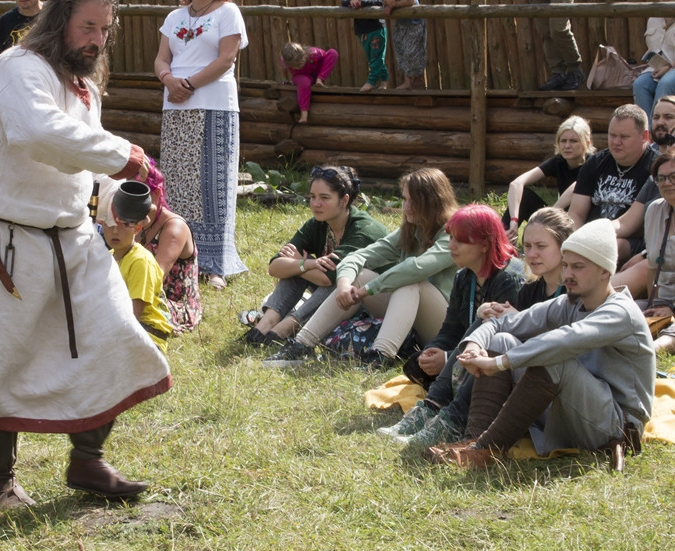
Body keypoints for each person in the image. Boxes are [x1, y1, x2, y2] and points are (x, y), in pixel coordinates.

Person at [0, 0, 172, 509]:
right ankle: (0, 484)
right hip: (7, 245)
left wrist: (119, 196)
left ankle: (88, 462)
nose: (97, 40)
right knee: (0, 363)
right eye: (88, 27)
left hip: (76, 239)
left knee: (115, 336)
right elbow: (37, 134)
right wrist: (121, 155)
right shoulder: (18, 69)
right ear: (58, 18)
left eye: (105, 30)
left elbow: (80, 161)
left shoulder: (84, 85)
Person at [436, 219, 654, 470]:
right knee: (502, 340)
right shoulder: (570, 303)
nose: (568, 275)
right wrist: (474, 345)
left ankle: (488, 449)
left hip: (618, 426)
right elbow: (503, 324)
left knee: (555, 358)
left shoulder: (621, 312)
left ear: (605, 271)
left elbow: (566, 340)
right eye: (566, 265)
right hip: (575, 411)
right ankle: (474, 442)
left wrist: (498, 363)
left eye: (578, 267)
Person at [263, 168, 458, 368]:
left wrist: (368, 289)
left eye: (412, 201)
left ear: (431, 201)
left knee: (410, 282)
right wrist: (344, 284)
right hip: (408, 318)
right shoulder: (412, 228)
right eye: (404, 199)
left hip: (444, 326)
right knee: (360, 274)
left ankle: (379, 357)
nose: (405, 207)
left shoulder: (453, 231)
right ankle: (301, 345)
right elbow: (359, 256)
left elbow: (416, 268)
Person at [376, 206, 526, 449]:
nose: (451, 245)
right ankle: (431, 408)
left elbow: (500, 336)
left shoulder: (509, 278)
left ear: (485, 245)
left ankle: (445, 417)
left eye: (460, 240)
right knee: (416, 362)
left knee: (485, 322)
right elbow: (450, 328)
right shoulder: (464, 276)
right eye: (451, 237)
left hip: (498, 364)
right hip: (467, 352)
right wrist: (435, 350)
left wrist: (448, 358)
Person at [154, 0, 249, 291]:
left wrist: (190, 84)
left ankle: (215, 263)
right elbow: (161, 59)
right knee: (178, 183)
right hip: (175, 107)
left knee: (212, 184)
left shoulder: (228, 13)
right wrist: (169, 80)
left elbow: (226, 60)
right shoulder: (175, 17)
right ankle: (179, 253)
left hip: (213, 105)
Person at [244, 165, 388, 347]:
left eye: (324, 198)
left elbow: (328, 279)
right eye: (312, 197)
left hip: (378, 302)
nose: (315, 203)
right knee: (295, 269)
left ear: (344, 200)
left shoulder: (363, 230)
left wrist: (300, 262)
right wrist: (305, 264)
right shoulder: (319, 223)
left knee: (337, 278)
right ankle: (264, 327)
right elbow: (274, 267)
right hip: (343, 300)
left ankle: (287, 328)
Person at [568, 104, 656, 263]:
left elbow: (630, 225)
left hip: (627, 239)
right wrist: (578, 238)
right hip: (588, 234)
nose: (616, 142)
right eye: (612, 135)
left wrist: (591, 236)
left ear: (645, 136)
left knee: (613, 246)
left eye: (624, 137)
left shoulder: (655, 167)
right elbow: (576, 213)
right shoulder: (596, 162)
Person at [101, 181, 174, 353]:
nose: (115, 232)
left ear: (138, 228)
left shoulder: (141, 261)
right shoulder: (109, 257)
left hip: (146, 335)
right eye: (110, 225)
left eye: (125, 225)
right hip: (120, 329)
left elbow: (133, 316)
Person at [613, 96, 675, 296]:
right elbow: (627, 222)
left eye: (668, 117)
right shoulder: (657, 178)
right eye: (656, 116)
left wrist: (645, 254)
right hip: (656, 262)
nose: (666, 183)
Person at [502, 115, 594, 241]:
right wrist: (514, 220)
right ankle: (502, 241)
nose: (567, 146)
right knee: (525, 195)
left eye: (574, 141)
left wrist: (549, 214)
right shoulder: (558, 161)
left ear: (586, 143)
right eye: (563, 141)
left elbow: (576, 187)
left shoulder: (594, 163)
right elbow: (516, 184)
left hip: (581, 223)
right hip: (557, 217)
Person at [138, 161, 202, 334]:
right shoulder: (134, 220)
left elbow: (155, 277)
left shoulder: (174, 227)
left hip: (172, 305)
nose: (137, 205)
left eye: (142, 197)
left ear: (157, 195)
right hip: (139, 292)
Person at [637, 152, 675, 353]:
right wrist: (652, 306)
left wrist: (673, 310)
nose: (666, 183)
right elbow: (652, 266)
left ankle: (651, 350)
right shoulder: (654, 211)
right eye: (661, 179)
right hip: (662, 301)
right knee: (624, 308)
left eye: (673, 177)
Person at [376, 0, 426, 90]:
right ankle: (408, 82)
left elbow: (410, 0)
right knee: (401, 51)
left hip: (414, 22)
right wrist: (386, 1)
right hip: (400, 23)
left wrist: (393, 4)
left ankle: (416, 82)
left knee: (412, 52)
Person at [632, 0, 675, 125]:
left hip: (673, 69)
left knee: (666, 83)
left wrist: (668, 68)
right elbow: (653, 48)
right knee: (640, 84)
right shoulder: (653, 18)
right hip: (657, 68)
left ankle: (659, 132)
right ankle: (646, 134)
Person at [341, 0, 389, 92]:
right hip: (362, 31)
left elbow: (380, 2)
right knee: (373, 57)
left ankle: (372, 81)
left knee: (376, 57)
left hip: (376, 29)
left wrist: (362, 2)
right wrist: (351, 2)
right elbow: (343, 1)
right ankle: (384, 79)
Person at [279, 42, 338, 123]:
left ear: (304, 54)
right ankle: (304, 113)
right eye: (295, 66)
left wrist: (320, 74)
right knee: (304, 82)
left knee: (333, 53)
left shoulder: (314, 53)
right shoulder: (285, 61)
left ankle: (320, 80)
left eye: (300, 63)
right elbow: (283, 69)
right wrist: (285, 80)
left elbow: (326, 58)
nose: (299, 67)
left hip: (316, 73)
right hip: (301, 76)